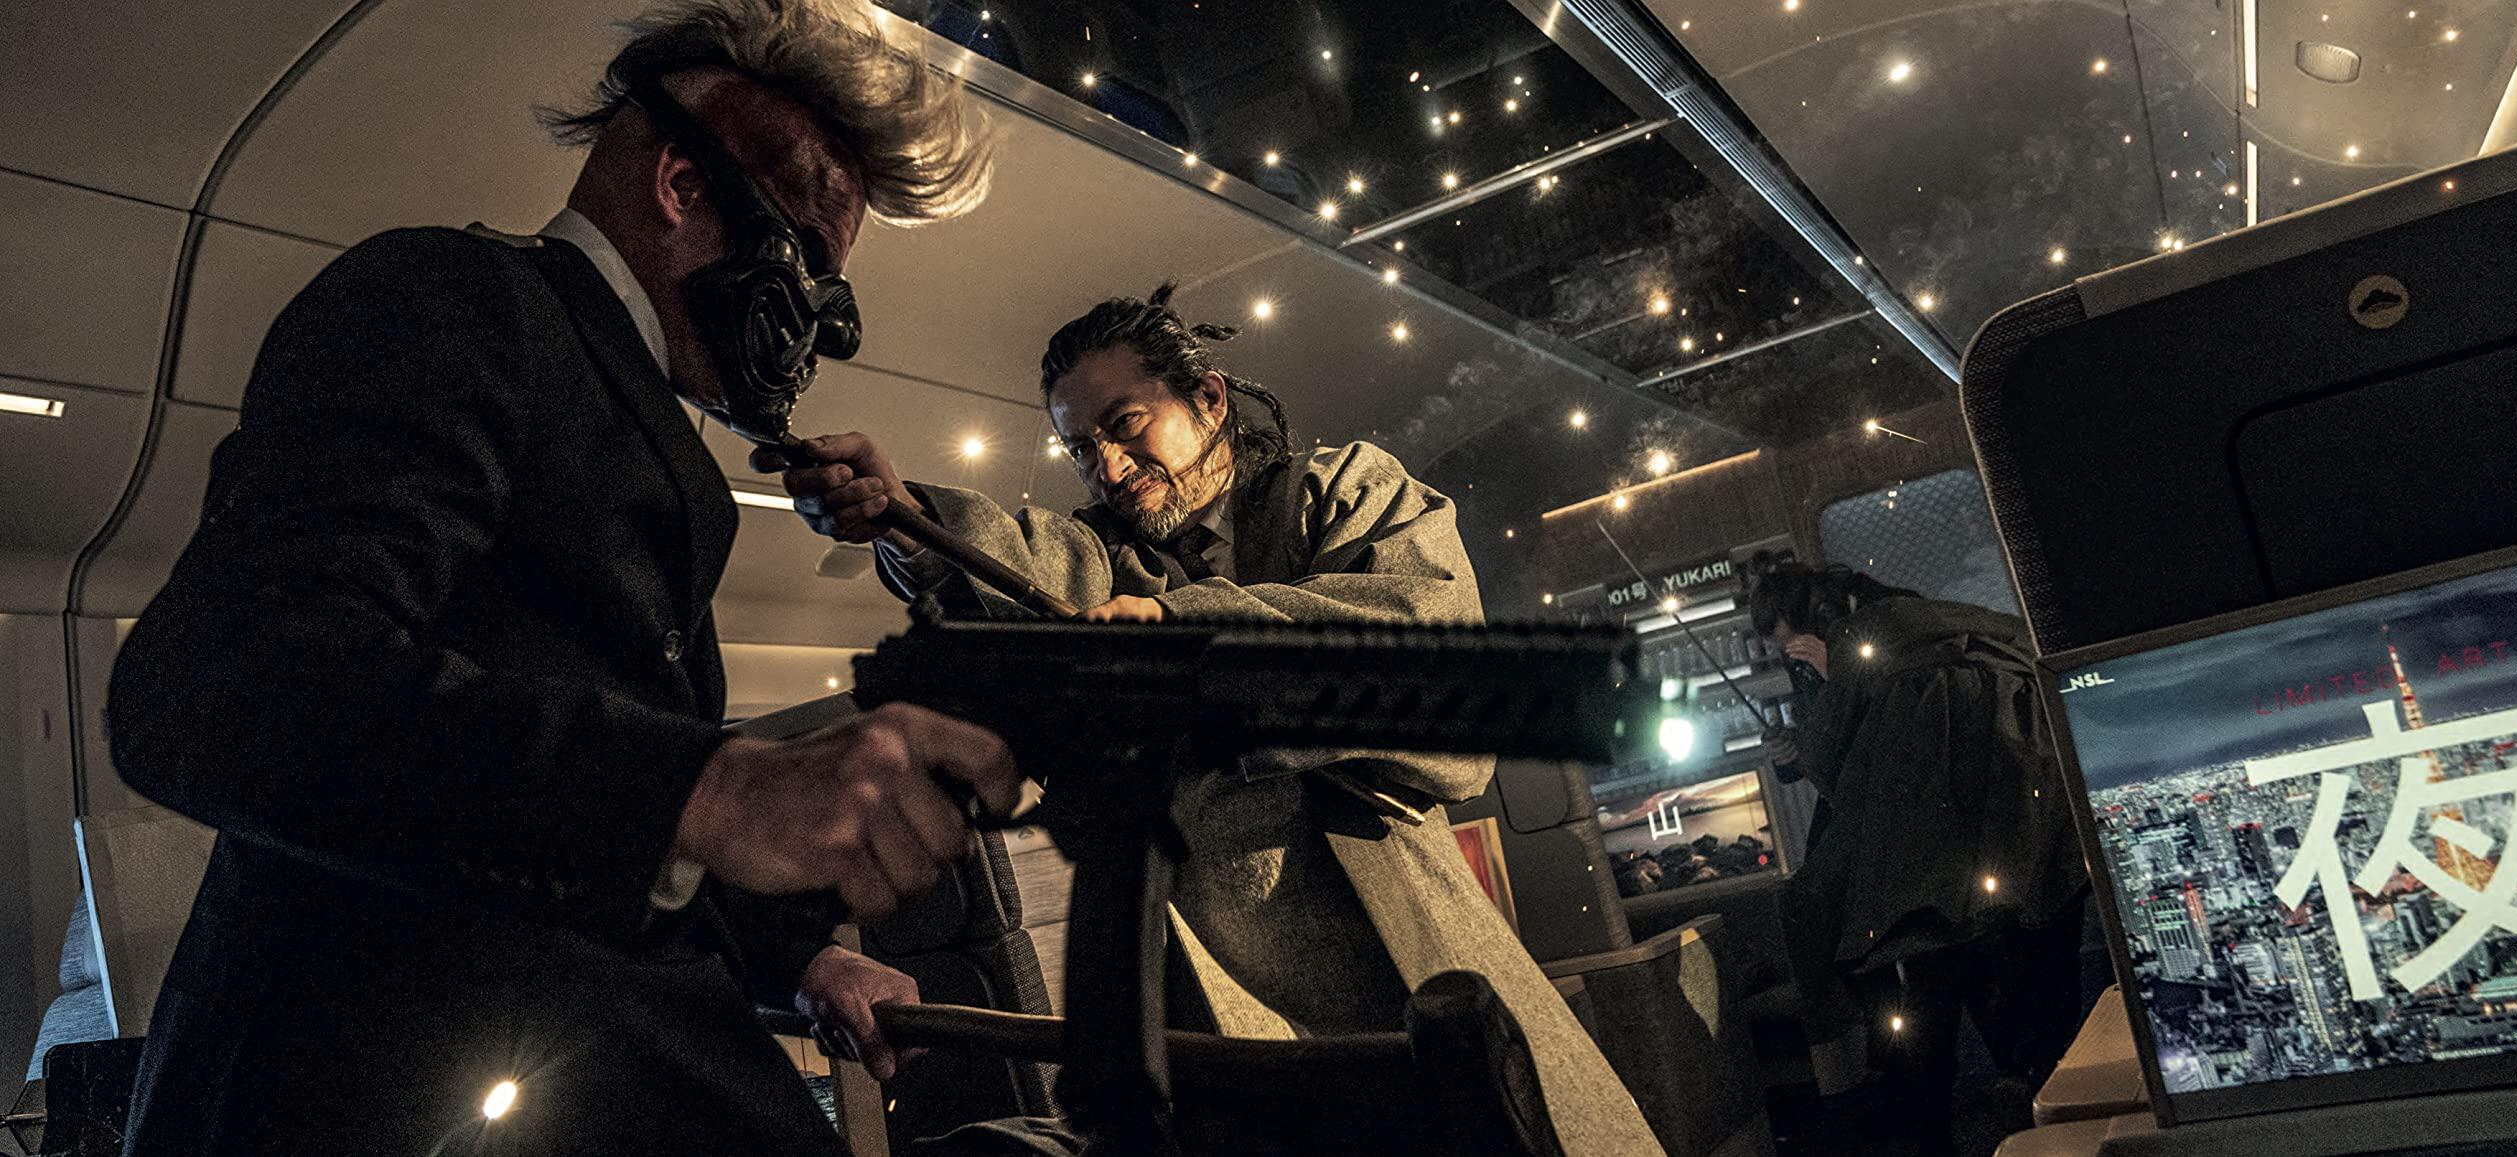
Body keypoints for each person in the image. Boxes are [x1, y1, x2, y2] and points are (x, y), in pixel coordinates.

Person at [103, 4, 1019, 1153]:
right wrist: (715, 789)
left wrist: (795, 957)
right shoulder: (455, 298)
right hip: (377, 1091)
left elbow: (596, 781)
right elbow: (221, 677)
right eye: (805, 259)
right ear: (681, 184)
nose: (817, 324)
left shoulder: (632, 414)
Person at [760, 284, 1664, 1156]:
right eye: (1083, 449)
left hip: (1416, 972)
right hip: (1221, 1026)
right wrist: (910, 520)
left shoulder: (1343, 492)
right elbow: (1025, 561)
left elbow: (1430, 653)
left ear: (1208, 397)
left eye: (1126, 424)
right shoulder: (1102, 556)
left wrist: (1184, 635)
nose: (1111, 466)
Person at [1744, 556, 2087, 1156]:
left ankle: (1929, 1117)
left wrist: (1822, 690)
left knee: (1927, 993)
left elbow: (1844, 765)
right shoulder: (1940, 630)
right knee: (2009, 1007)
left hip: (1937, 861)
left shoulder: (1857, 652)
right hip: (2030, 837)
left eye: (1786, 645)